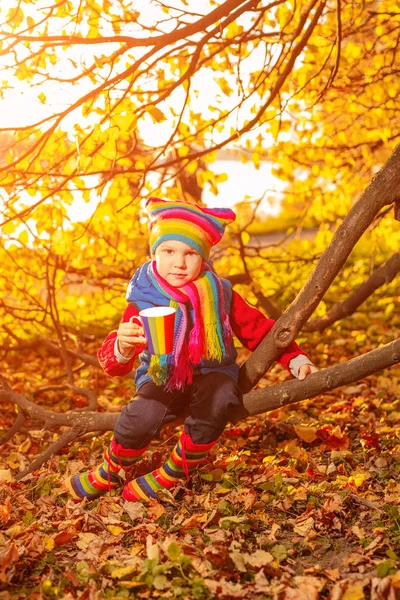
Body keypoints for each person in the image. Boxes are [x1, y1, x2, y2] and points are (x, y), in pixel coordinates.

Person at [65, 197, 317, 502]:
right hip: (163, 373)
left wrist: (295, 357)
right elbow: (114, 366)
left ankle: (172, 472)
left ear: (204, 258)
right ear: (154, 252)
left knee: (219, 400)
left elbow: (260, 329)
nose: (179, 263)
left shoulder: (219, 292)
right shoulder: (144, 298)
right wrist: (122, 346)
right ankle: (111, 471)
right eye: (168, 251)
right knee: (141, 415)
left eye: (190, 253)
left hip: (212, 370)